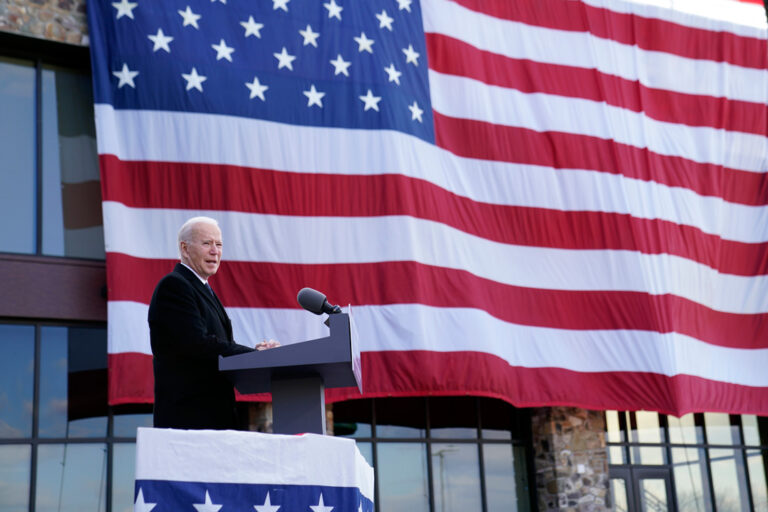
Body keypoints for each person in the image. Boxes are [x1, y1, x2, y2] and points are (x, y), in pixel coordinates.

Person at [148, 216, 278, 429]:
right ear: (185, 248)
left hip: (214, 419)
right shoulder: (174, 286)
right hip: (189, 421)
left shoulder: (202, 289)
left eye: (219, 245)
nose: (215, 251)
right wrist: (254, 356)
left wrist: (256, 354)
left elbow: (218, 346)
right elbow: (198, 344)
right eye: (207, 243)